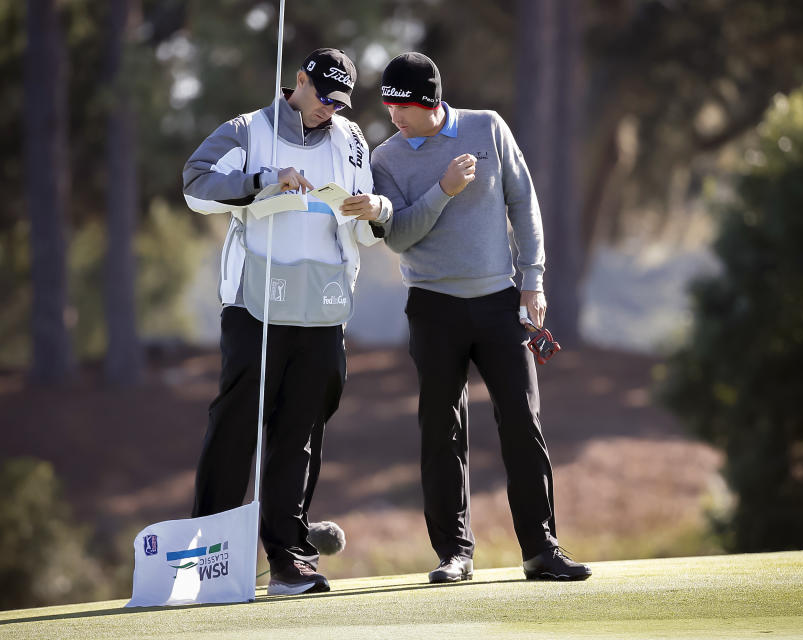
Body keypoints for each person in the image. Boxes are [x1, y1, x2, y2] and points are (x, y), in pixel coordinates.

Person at [370, 52, 590, 583]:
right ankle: (455, 554)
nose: (394, 115)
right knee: (441, 431)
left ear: (429, 101)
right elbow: (398, 235)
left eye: (402, 104)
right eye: (388, 104)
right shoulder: (385, 158)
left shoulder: (487, 128)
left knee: (522, 419)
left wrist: (533, 280)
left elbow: (524, 203)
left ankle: (541, 549)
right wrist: (442, 190)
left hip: (497, 302)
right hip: (433, 307)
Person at [182, 48, 391, 595]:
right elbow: (196, 185)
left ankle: (288, 559)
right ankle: (210, 559)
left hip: (322, 307)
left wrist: (373, 212)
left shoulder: (350, 139)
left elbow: (365, 228)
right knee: (236, 427)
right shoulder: (247, 130)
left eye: (339, 102)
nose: (330, 111)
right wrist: (266, 178)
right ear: (299, 81)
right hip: (255, 304)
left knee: (301, 432)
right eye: (323, 98)